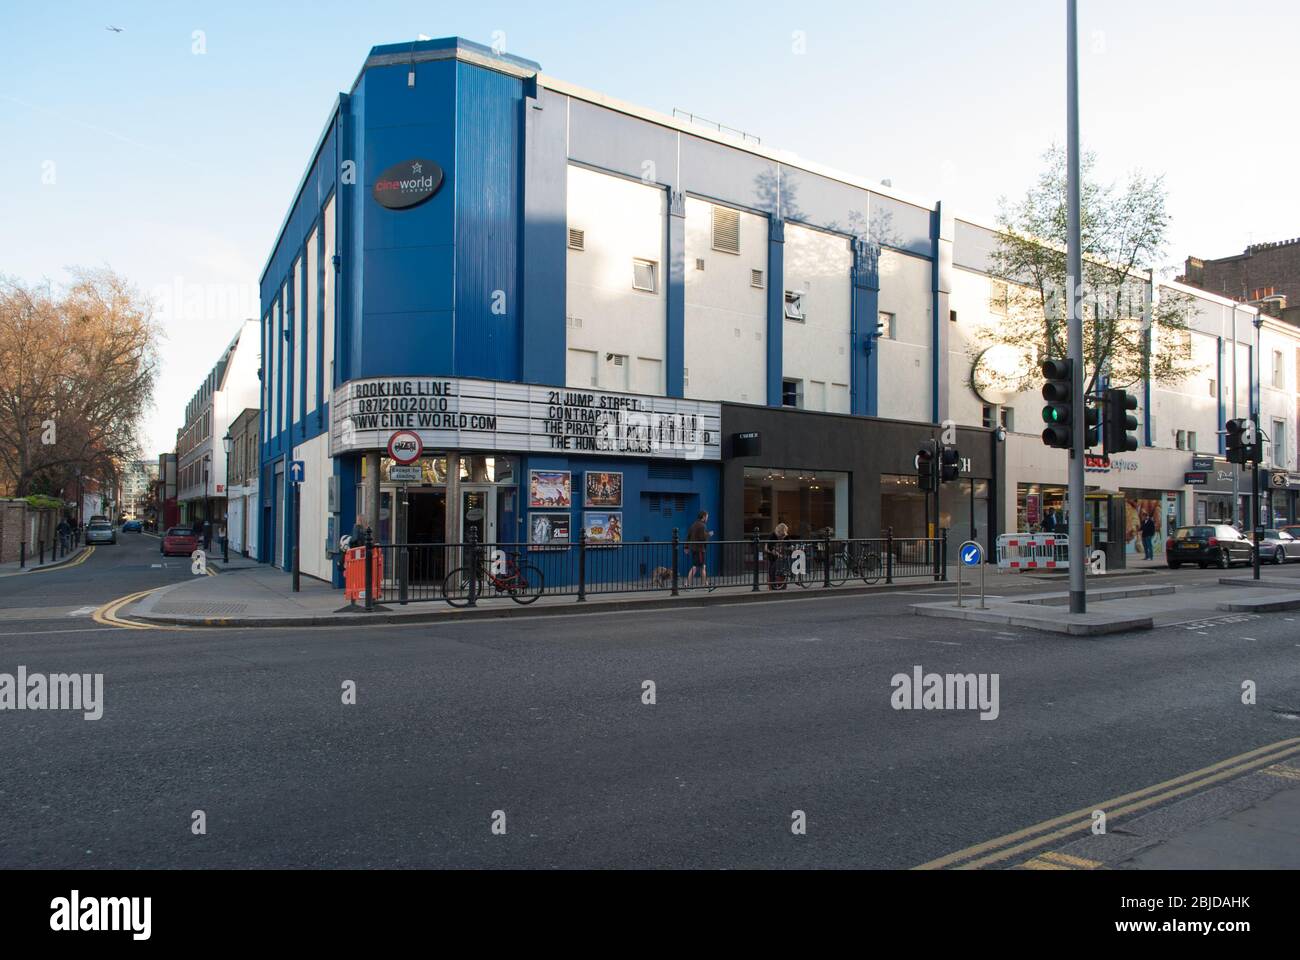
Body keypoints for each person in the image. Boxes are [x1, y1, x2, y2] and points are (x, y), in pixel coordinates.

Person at [684, 511, 712, 588]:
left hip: (694, 549)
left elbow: (688, 536)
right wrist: (708, 534)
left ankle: (705, 583)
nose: (707, 518)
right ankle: (688, 584)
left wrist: (686, 547)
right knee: (698, 567)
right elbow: (703, 538)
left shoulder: (693, 525)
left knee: (700, 566)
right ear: (703, 517)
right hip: (700, 549)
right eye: (707, 517)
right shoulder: (702, 526)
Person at [767, 522, 790, 589]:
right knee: (772, 567)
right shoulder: (773, 535)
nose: (782, 536)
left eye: (783, 534)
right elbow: (769, 547)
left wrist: (791, 547)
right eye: (781, 534)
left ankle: (781, 583)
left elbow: (789, 543)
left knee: (782, 568)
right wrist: (777, 554)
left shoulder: (784, 535)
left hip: (781, 553)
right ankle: (773, 584)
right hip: (773, 554)